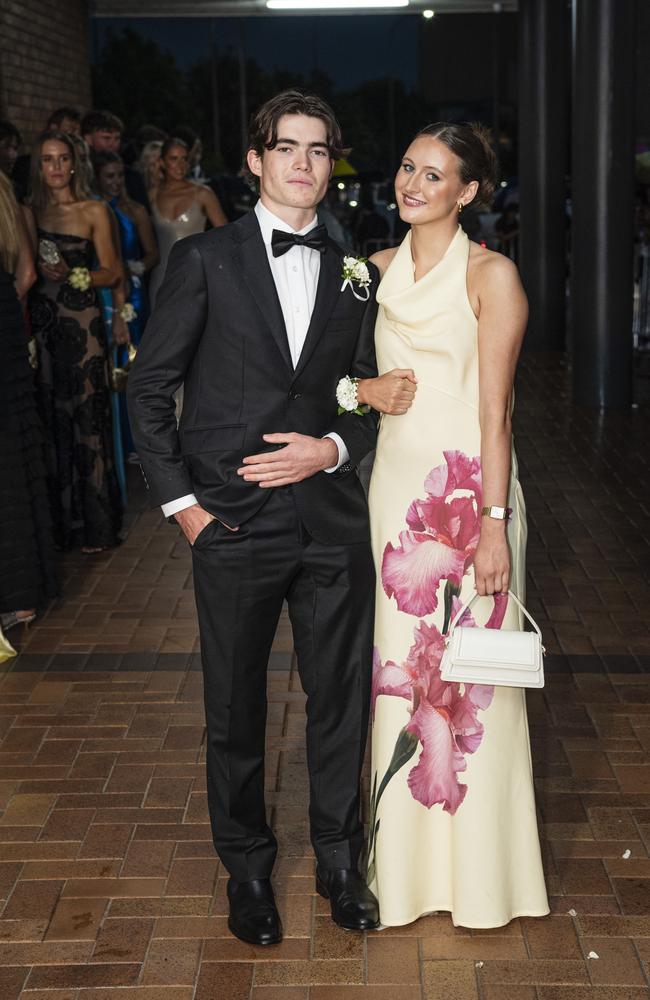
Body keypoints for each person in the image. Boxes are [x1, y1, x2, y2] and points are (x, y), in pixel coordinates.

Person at [128, 90, 381, 947]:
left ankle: (343, 862)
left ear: (330, 163)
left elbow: (365, 399)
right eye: (287, 148)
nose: (303, 164)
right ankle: (247, 870)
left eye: (318, 150)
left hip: (332, 524)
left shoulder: (357, 272)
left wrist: (333, 451)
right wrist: (185, 509)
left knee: (339, 700)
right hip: (229, 525)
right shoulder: (205, 260)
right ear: (256, 160)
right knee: (235, 710)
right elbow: (149, 388)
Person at [359, 122, 549, 928]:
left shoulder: (492, 275)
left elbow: (496, 411)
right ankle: (399, 879)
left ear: (468, 192)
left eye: (433, 175)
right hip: (393, 501)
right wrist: (360, 392)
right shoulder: (368, 272)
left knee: (475, 693)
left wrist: (496, 526)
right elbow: (320, 378)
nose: (412, 183)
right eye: (407, 167)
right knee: (399, 682)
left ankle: (480, 884)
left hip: (472, 503)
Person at [28, 129, 123, 553]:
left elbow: (113, 272)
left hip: (82, 325)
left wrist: (73, 275)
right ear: (38, 165)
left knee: (87, 419)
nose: (56, 167)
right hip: (42, 326)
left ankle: (96, 527)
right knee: (51, 419)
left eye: (63, 158)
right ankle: (62, 526)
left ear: (74, 163)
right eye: (48, 159)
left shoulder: (94, 210)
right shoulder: (25, 211)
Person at [0, 172, 58, 633]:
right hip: (5, 316)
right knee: (13, 454)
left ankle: (18, 597)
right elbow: (24, 273)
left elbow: (27, 272)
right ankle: (22, 597)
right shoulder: (6, 191)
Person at [93, 149, 159, 455]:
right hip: (102, 292)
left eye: (120, 175)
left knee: (133, 364)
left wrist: (139, 267)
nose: (116, 181)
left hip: (132, 290)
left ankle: (136, 440)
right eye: (110, 176)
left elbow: (153, 252)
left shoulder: (136, 211)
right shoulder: (93, 209)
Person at [148, 137, 227, 308]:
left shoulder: (203, 194)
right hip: (160, 279)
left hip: (196, 279)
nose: (181, 164)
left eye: (185, 159)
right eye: (174, 159)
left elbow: (225, 239)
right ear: (161, 162)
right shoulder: (152, 195)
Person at [82, 110, 150, 212]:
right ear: (88, 139)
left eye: (117, 138)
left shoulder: (131, 176)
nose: (112, 143)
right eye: (106, 138)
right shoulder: (81, 175)